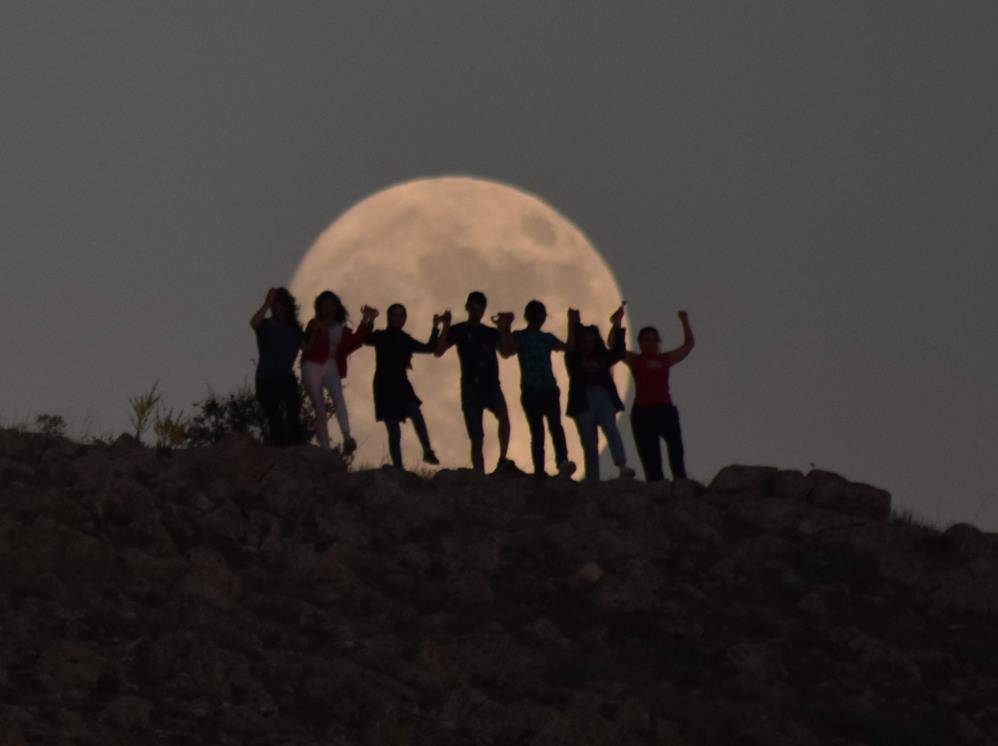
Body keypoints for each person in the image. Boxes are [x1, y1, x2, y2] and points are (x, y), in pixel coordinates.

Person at [435, 291, 513, 473]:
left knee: (504, 417)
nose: (476, 312)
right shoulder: (459, 329)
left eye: (479, 309)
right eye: (473, 308)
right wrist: (446, 325)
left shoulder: (490, 332)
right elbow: (439, 351)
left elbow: (507, 352)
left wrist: (505, 328)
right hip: (471, 386)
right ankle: (480, 475)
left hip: (491, 384)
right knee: (477, 437)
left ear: (483, 310)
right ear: (468, 307)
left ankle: (502, 459)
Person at [497, 300, 575, 479]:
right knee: (538, 430)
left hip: (549, 389)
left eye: (541, 313)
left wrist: (571, 322)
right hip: (531, 390)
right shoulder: (520, 336)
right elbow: (507, 351)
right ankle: (540, 469)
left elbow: (569, 347)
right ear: (528, 316)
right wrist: (505, 328)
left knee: (555, 427)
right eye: (536, 313)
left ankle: (562, 462)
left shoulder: (547, 338)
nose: (539, 317)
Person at [365, 303, 443, 469]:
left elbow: (429, 348)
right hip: (384, 385)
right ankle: (398, 468)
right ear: (389, 317)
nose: (399, 318)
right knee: (394, 430)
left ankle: (427, 450)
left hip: (401, 383)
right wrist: (369, 320)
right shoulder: (381, 336)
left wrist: (436, 327)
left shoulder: (405, 339)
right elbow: (366, 339)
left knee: (415, 411)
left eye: (402, 315)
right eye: (396, 315)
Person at [565, 304, 636, 481]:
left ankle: (622, 466)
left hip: (603, 396)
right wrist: (573, 323)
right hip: (583, 399)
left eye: (591, 341)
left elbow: (618, 351)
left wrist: (617, 323)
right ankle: (593, 478)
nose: (588, 345)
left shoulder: (603, 356)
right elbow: (571, 346)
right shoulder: (574, 358)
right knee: (589, 441)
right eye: (585, 341)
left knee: (611, 429)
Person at [301, 291, 376, 453]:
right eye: (324, 306)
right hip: (312, 364)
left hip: (331, 364)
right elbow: (308, 344)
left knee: (338, 396)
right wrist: (317, 330)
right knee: (319, 406)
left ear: (336, 308)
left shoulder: (341, 330)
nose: (328, 309)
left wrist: (367, 319)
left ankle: (347, 436)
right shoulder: (314, 324)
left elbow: (356, 339)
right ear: (319, 309)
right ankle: (325, 448)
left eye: (331, 306)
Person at [624, 311, 695, 481]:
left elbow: (688, 346)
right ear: (639, 342)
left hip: (665, 409)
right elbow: (615, 347)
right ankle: (657, 486)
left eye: (653, 339)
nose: (649, 343)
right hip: (643, 412)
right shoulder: (636, 360)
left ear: (658, 342)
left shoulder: (665, 359)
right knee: (650, 455)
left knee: (676, 449)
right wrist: (617, 324)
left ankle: (680, 482)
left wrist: (684, 322)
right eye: (646, 340)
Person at [250, 287, 305, 447]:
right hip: (266, 379)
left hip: (285, 378)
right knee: (274, 418)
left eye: (280, 305)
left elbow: (308, 348)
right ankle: (278, 446)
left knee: (293, 413)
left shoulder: (295, 331)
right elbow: (254, 322)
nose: (277, 309)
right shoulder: (266, 326)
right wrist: (267, 303)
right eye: (275, 305)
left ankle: (296, 446)